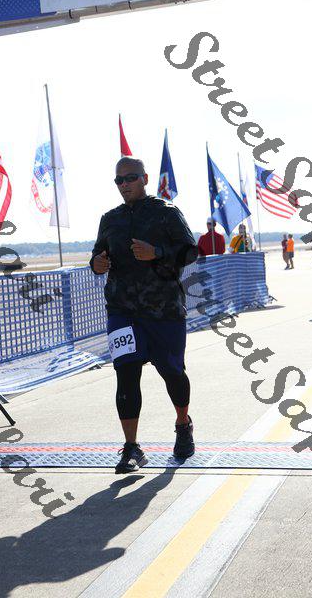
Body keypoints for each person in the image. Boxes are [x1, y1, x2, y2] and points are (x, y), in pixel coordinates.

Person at [90, 157, 198, 474]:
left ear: (145, 178)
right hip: (122, 311)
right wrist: (96, 264)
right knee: (125, 374)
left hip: (164, 310)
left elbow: (190, 251)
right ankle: (131, 447)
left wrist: (157, 253)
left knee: (173, 373)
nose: (124, 185)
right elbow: (97, 255)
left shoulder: (166, 212)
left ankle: (183, 423)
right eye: (119, 180)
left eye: (130, 178)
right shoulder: (110, 219)